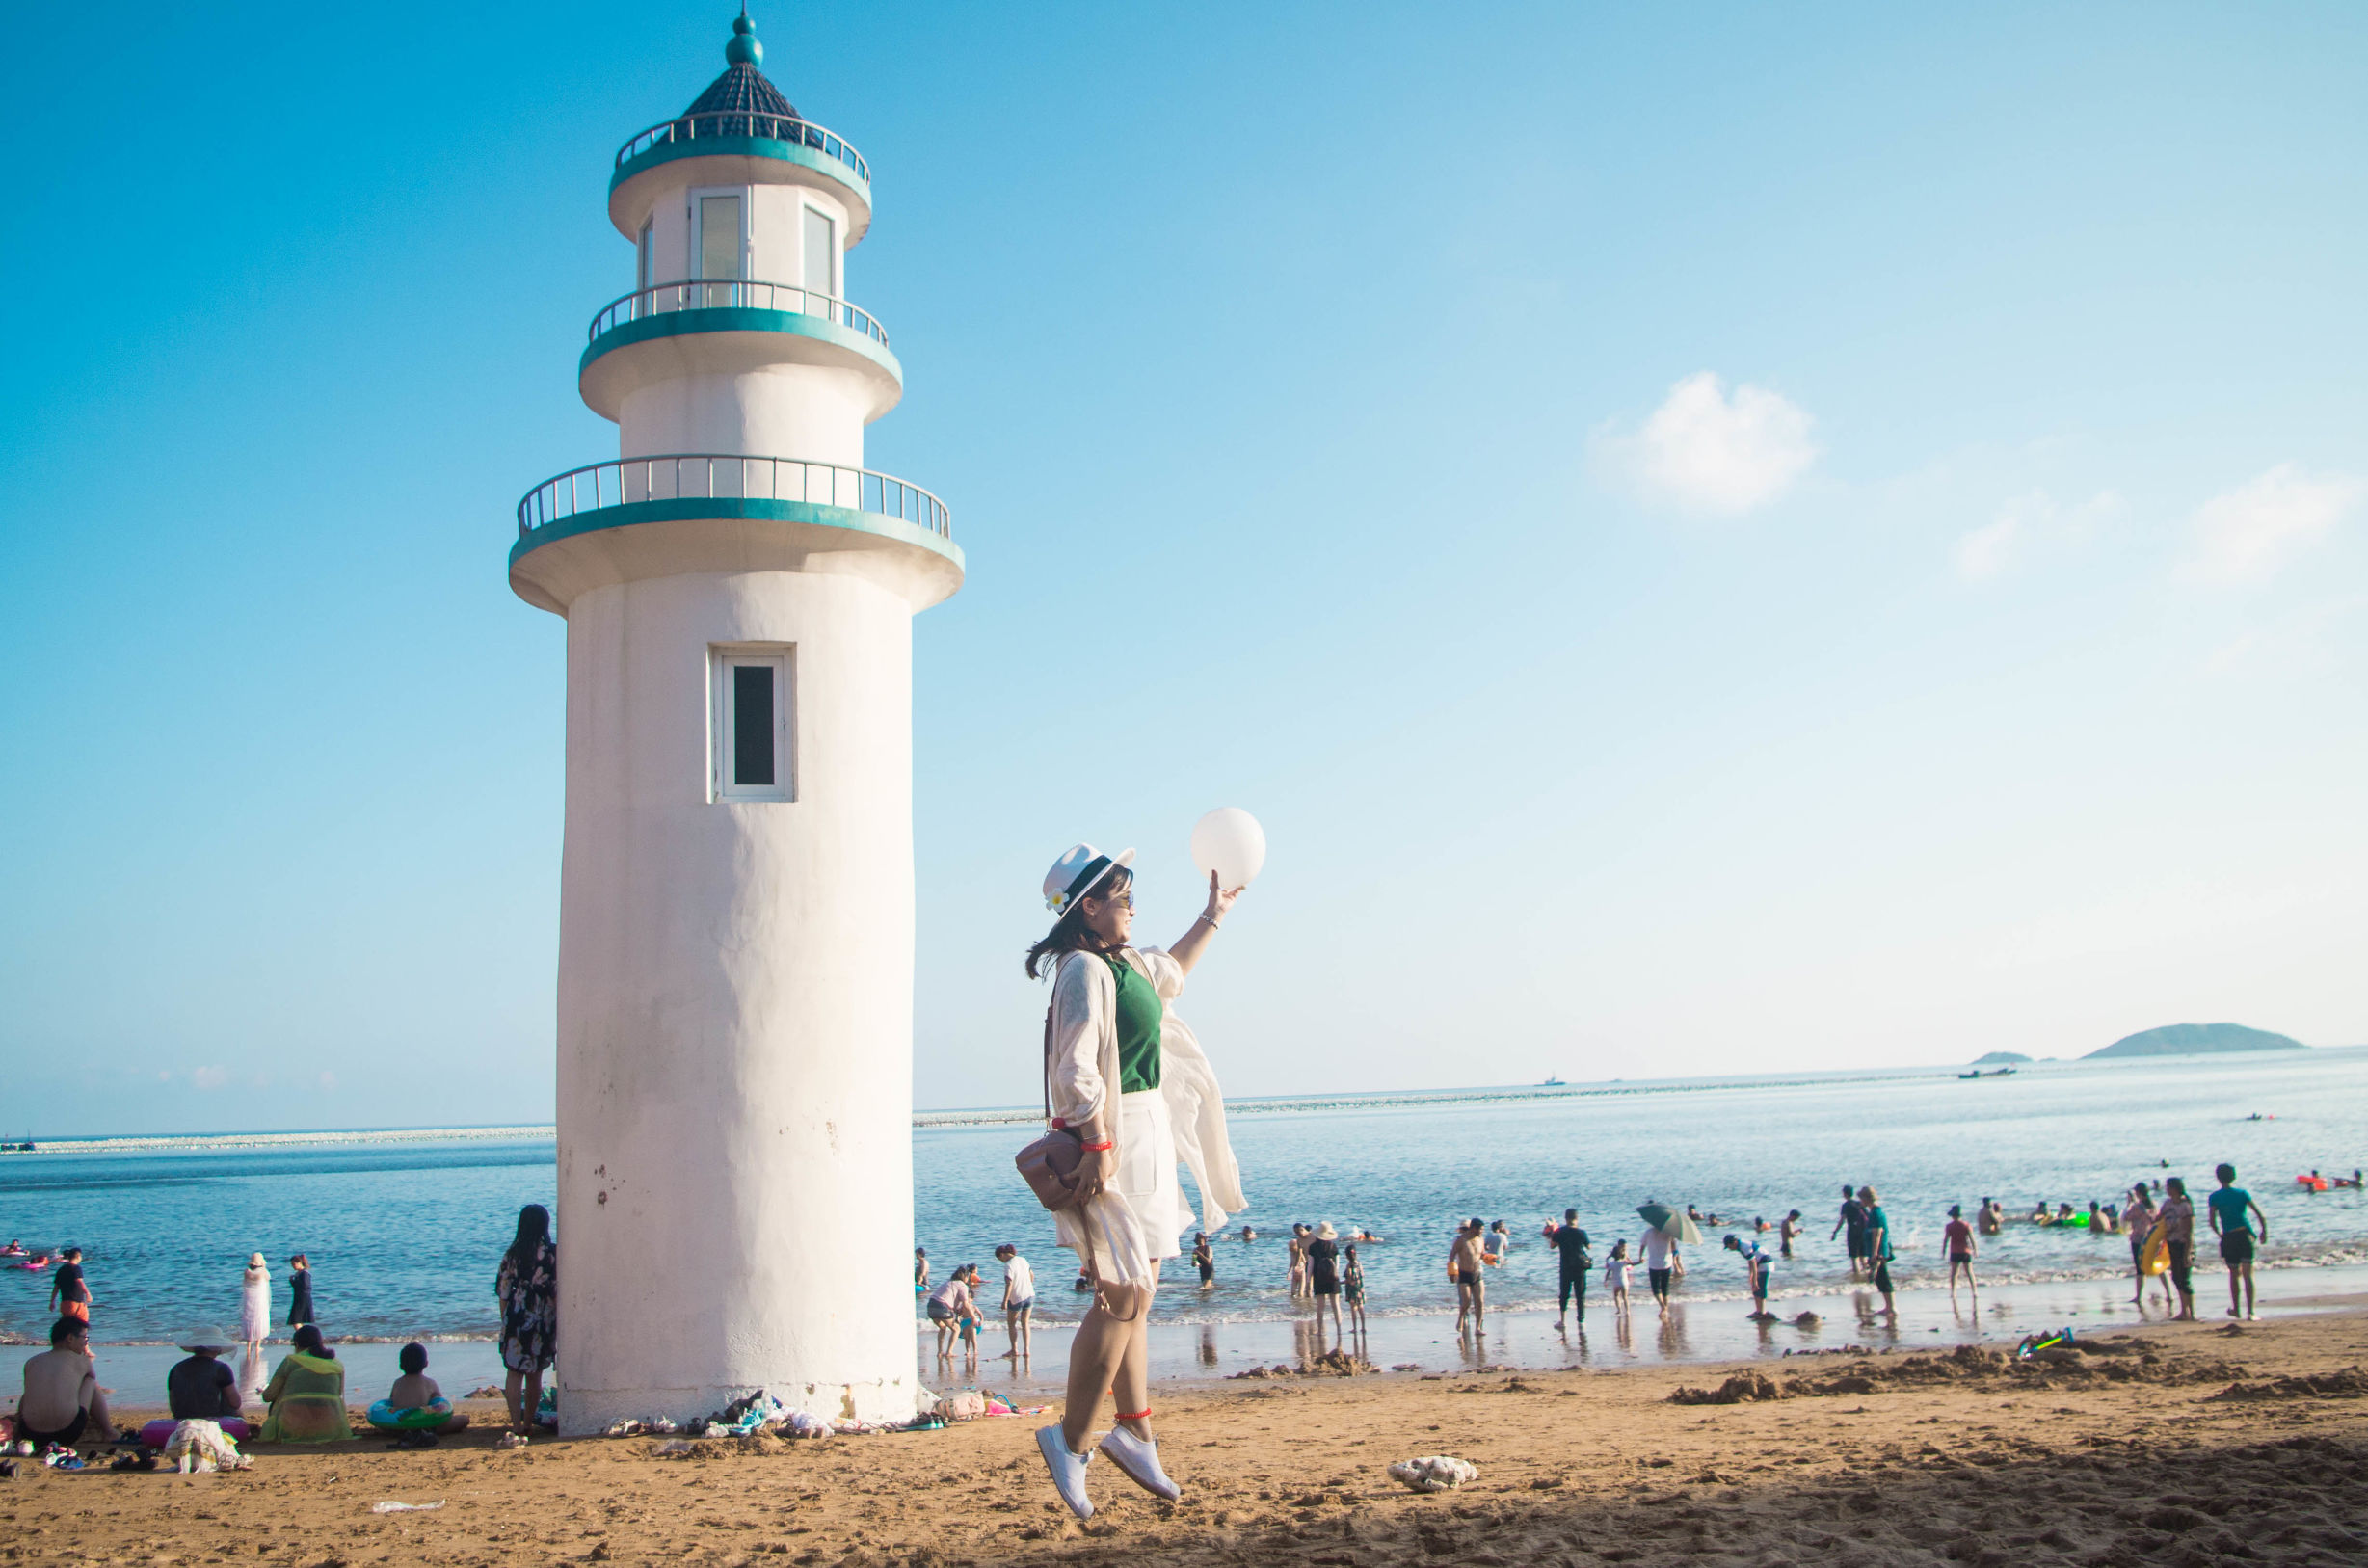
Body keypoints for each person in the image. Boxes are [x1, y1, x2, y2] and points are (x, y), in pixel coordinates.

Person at [1027, 844, 1245, 1522]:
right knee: (1122, 1293)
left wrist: (1211, 916)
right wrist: (1095, 1142)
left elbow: (1170, 971)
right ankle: (1068, 1439)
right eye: (1122, 897)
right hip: (1115, 1141)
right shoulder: (1084, 970)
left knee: (1138, 1293)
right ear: (1087, 906)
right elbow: (1074, 1069)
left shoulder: (1124, 963)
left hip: (1144, 1133)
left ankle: (1136, 1429)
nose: (1131, 906)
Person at [495, 1203, 557, 1434]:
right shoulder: (552, 1253)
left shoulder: (513, 1254)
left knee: (513, 1372)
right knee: (535, 1375)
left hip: (517, 1317)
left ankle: (515, 1424)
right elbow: (557, 1289)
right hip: (542, 1319)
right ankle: (529, 1424)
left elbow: (502, 1292)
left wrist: (505, 1321)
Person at [14, 1317, 115, 1448]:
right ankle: (109, 1431)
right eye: (85, 1338)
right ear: (70, 1338)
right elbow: (91, 1379)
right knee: (89, 1381)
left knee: (31, 1390)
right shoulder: (82, 1360)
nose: (86, 1343)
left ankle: (17, 1431)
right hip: (68, 1432)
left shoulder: (32, 1361)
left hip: (30, 1434)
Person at [258, 1324, 351, 1442]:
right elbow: (339, 1394)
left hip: (293, 1428)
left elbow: (268, 1396)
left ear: (297, 1344)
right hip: (331, 1426)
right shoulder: (337, 1364)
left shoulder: (291, 1361)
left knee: (284, 1390)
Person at [2208, 1163, 2270, 1321]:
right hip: (2244, 1235)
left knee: (2234, 1274)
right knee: (2248, 1275)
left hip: (2229, 1237)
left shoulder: (2214, 1197)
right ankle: (2251, 1311)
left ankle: (2236, 1308)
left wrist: (2221, 1235)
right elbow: (2260, 1215)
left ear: (2217, 1177)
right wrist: (2263, 1232)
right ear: (2233, 1176)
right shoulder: (2242, 1194)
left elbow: (2212, 1222)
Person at [167, 1332, 245, 1424]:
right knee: (237, 1411)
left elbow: (173, 1404)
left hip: (183, 1419)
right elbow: (235, 1403)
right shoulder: (221, 1368)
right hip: (214, 1419)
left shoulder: (176, 1368)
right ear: (216, 1349)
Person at [386, 1342, 467, 1431]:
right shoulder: (430, 1383)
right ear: (426, 1363)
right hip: (425, 1424)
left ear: (401, 1365)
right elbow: (441, 1405)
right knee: (464, 1419)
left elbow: (391, 1402)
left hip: (399, 1425)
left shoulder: (397, 1383)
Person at [2158, 1176, 2197, 1320]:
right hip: (2172, 1243)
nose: (2166, 1189)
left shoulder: (2185, 1206)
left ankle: (2191, 1313)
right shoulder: (2168, 1204)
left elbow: (2189, 1231)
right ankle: (2183, 1311)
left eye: (2168, 1187)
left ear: (2174, 1188)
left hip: (2184, 1244)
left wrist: (2188, 1252)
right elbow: (2159, 1220)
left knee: (2185, 1279)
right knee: (2176, 1277)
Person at [1549, 1209, 1591, 1330]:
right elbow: (1589, 1246)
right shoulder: (1581, 1232)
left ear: (1565, 1218)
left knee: (1564, 1294)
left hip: (1565, 1266)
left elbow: (1552, 1246)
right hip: (1579, 1267)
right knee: (1580, 1294)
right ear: (1576, 1218)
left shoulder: (1559, 1231)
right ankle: (1581, 1320)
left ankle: (1563, 1321)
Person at [2124, 1183, 2164, 1309]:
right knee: (2159, 1267)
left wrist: (2130, 1203)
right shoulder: (2154, 1204)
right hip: (2152, 1238)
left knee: (2140, 1269)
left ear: (2138, 1193)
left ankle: (2138, 1296)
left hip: (2138, 1239)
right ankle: (2169, 1294)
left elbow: (2126, 1217)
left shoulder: (2137, 1206)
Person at [926, 1266, 975, 1362]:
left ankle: (940, 1352)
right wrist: (973, 1316)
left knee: (942, 1328)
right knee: (956, 1329)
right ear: (965, 1277)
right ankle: (949, 1352)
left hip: (931, 1305)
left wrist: (956, 1310)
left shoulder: (948, 1282)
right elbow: (965, 1304)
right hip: (942, 1307)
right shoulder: (962, 1285)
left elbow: (947, 1299)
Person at [1861, 1185, 1897, 1316]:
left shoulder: (1876, 1213)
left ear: (1866, 1199)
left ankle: (1891, 1308)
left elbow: (1878, 1233)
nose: (1861, 1202)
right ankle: (1888, 1306)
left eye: (1862, 1199)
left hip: (1879, 1252)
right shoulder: (1874, 1212)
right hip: (1878, 1251)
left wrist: (1874, 1253)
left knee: (1883, 1278)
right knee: (1880, 1279)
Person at [997, 1244, 1036, 1359]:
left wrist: (1004, 1301)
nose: (1002, 1262)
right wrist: (1027, 1285)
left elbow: (1009, 1284)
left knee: (1011, 1324)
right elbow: (1032, 1275)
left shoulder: (1008, 1265)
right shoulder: (1023, 1259)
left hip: (1016, 1297)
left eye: (1000, 1259)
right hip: (1029, 1294)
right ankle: (1027, 1350)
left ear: (1002, 1255)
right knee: (1025, 1323)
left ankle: (1014, 1349)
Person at [1636, 1217, 1682, 1316]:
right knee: (1665, 1288)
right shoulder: (1669, 1233)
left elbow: (1642, 1246)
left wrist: (1640, 1257)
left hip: (1654, 1264)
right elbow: (1675, 1250)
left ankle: (1663, 1307)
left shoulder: (1648, 1232)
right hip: (1667, 1263)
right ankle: (1665, 1308)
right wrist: (1675, 1263)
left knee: (1655, 1288)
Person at [1449, 1219, 1487, 1336]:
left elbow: (1482, 1255)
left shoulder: (1481, 1239)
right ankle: (1461, 1318)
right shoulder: (1461, 1241)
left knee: (1480, 1301)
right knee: (1466, 1302)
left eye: (1483, 1230)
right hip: (1464, 1274)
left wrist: (1489, 1258)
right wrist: (1452, 1273)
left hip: (1477, 1274)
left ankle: (1478, 1328)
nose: (1481, 1232)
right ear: (1473, 1228)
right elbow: (1452, 1256)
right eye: (1480, 1229)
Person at [1722, 1233, 1773, 1317]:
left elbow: (1753, 1262)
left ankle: (1762, 1312)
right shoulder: (1740, 1246)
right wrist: (1751, 1276)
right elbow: (1750, 1262)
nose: (1730, 1249)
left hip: (1765, 1263)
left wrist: (1754, 1279)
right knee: (1755, 1289)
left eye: (1729, 1246)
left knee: (1760, 1288)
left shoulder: (1744, 1246)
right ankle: (1758, 1311)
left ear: (1734, 1242)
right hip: (1759, 1264)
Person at [1307, 1222, 1344, 1341]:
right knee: (1336, 1305)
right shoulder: (1334, 1247)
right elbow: (1337, 1266)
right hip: (1333, 1279)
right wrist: (1335, 1276)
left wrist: (1308, 1282)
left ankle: (1320, 1330)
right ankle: (1339, 1329)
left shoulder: (1312, 1247)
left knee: (1320, 1307)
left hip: (1319, 1279)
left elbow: (1310, 1266)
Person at [1942, 1204, 1978, 1305]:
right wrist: (1975, 1250)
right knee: (1970, 1273)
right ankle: (1974, 1291)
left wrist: (1943, 1251)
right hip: (1966, 1251)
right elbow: (1972, 1238)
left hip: (1954, 1252)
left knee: (1954, 1274)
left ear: (1952, 1216)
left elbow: (1946, 1240)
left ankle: (1953, 1293)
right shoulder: (1966, 1225)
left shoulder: (1949, 1226)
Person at [46, 1247, 90, 1326]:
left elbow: (56, 1287)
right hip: (77, 1303)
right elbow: (79, 1281)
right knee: (83, 1326)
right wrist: (87, 1293)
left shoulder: (61, 1269)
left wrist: (52, 1301)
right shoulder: (76, 1268)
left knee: (68, 1326)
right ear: (78, 1257)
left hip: (64, 1303)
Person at [1831, 1185, 1869, 1278]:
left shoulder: (1845, 1205)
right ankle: (1868, 1277)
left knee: (1854, 1257)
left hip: (1852, 1232)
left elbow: (1842, 1220)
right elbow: (1868, 1217)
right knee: (1863, 1257)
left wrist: (1835, 1232)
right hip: (1863, 1232)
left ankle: (1858, 1277)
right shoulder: (1860, 1204)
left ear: (1845, 1194)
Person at [239, 1253, 271, 1361]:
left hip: (249, 1301)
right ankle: (257, 1346)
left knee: (249, 1321)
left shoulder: (247, 1272)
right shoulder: (263, 1272)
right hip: (260, 1302)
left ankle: (248, 1347)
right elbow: (268, 1278)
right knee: (259, 1320)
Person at [1343, 1244, 1367, 1338]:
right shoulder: (1359, 1264)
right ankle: (1363, 1327)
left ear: (1347, 1256)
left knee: (1353, 1309)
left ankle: (1355, 1328)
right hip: (1360, 1288)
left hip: (1352, 1289)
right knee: (1361, 1307)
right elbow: (1362, 1276)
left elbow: (1348, 1279)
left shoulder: (1349, 1265)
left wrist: (1340, 1283)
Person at [1603, 1240, 1634, 1315]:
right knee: (1625, 1297)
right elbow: (1632, 1263)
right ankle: (1628, 1311)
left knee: (1616, 1296)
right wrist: (1639, 1261)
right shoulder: (1623, 1262)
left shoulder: (1612, 1264)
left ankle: (1619, 1309)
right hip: (1625, 1282)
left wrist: (1605, 1280)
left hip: (1616, 1283)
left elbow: (1608, 1273)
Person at [286, 1253, 315, 1328]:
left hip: (302, 1299)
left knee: (295, 1320)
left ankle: (301, 1336)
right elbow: (297, 1287)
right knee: (298, 1320)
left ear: (299, 1263)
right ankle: (303, 1336)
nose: (293, 1266)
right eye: (292, 1264)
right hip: (298, 1298)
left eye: (294, 1264)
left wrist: (295, 1282)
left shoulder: (304, 1273)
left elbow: (306, 1287)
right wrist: (292, 1281)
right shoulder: (299, 1273)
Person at [1287, 1224, 1310, 1300]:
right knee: (1293, 1292)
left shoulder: (1300, 1253)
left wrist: (1305, 1270)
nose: (1291, 1250)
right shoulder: (1292, 1254)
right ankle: (1295, 1304)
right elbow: (1291, 1263)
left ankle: (1302, 1305)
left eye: (1292, 1248)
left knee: (1300, 1292)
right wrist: (1289, 1273)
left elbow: (1305, 1262)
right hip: (1295, 1273)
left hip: (1302, 1272)